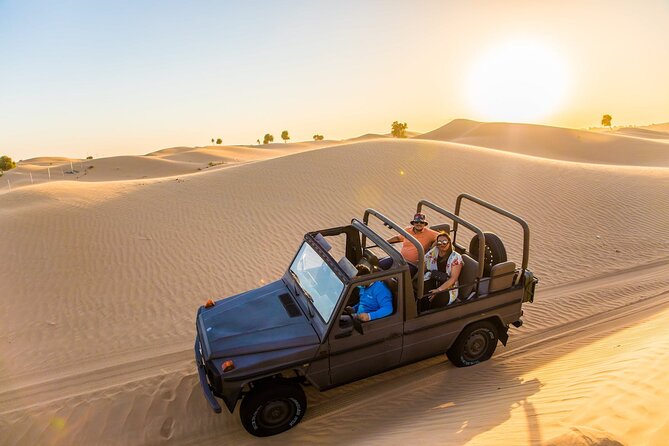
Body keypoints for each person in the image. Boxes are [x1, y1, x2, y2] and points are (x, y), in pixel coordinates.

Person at [423, 231, 463, 308]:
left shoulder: (456, 257)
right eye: (439, 242)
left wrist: (438, 290)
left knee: (438, 301)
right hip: (434, 277)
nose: (442, 244)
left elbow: (453, 279)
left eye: (445, 242)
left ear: (449, 243)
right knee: (424, 294)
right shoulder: (435, 250)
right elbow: (425, 260)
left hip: (448, 285)